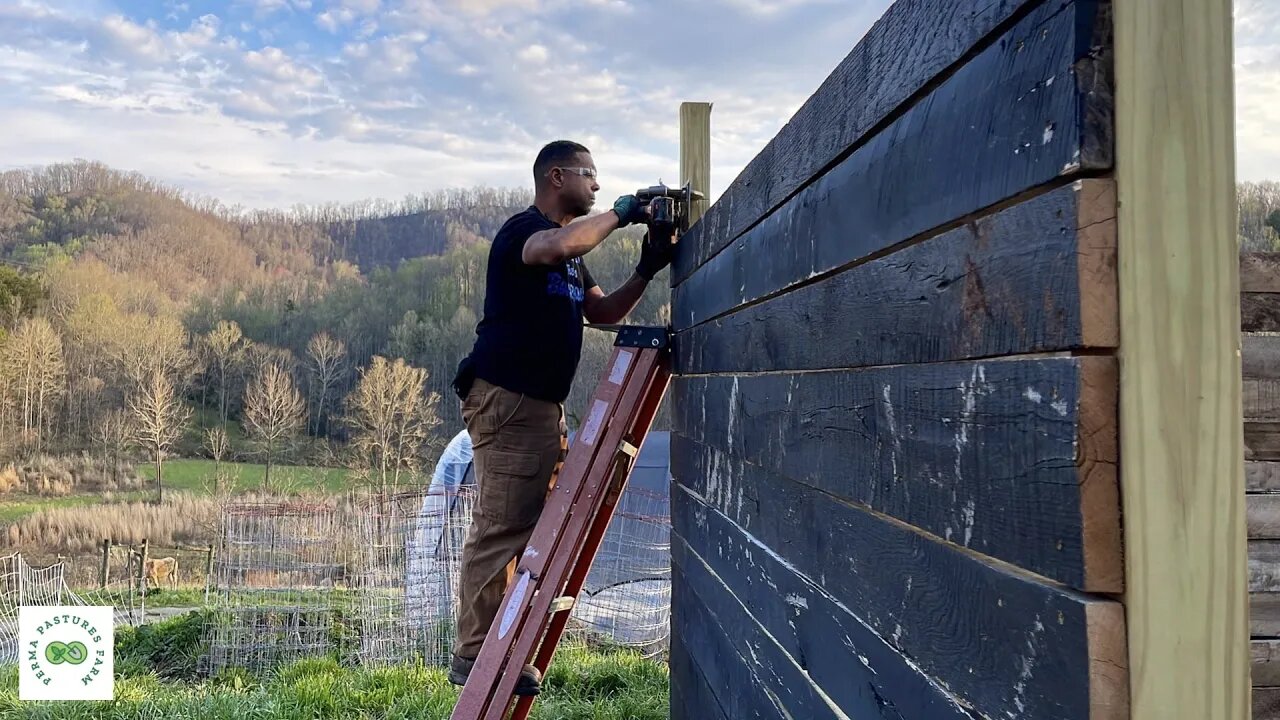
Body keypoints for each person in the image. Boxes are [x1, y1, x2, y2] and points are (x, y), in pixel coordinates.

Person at [447, 140, 675, 695]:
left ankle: (505, 645)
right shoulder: (523, 232)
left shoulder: (572, 258)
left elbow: (599, 313)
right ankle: (476, 656)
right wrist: (624, 212)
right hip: (508, 400)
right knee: (502, 526)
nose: (596, 186)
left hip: (541, 407)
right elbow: (557, 243)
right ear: (556, 176)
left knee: (533, 528)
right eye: (589, 176)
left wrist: (647, 267)